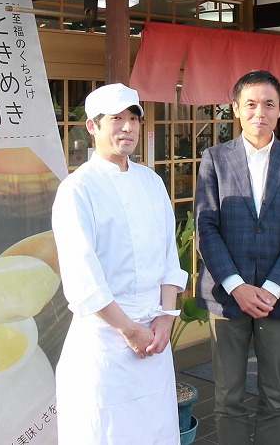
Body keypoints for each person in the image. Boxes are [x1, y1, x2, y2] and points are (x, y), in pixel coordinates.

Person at [51, 83, 188, 444]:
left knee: (155, 431)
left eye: (133, 118)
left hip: (154, 340)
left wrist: (163, 317)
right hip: (105, 340)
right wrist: (129, 329)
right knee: (105, 433)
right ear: (92, 126)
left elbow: (168, 259)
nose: (127, 127)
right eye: (116, 119)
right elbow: (83, 279)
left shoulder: (152, 182)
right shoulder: (77, 189)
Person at [194, 70, 280, 445]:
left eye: (268, 104)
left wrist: (273, 288)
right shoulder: (214, 159)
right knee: (228, 396)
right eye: (250, 104)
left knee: (276, 397)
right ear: (235, 109)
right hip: (228, 298)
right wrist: (237, 286)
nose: (259, 111)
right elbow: (205, 227)